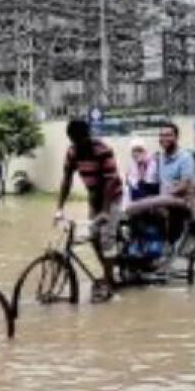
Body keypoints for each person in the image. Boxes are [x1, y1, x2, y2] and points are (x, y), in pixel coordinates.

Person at [56, 119, 123, 300]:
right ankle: (109, 273)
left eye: (81, 139)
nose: (78, 143)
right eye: (74, 140)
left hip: (112, 198)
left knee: (107, 238)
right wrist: (59, 208)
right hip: (94, 198)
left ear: (88, 136)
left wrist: (105, 211)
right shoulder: (72, 152)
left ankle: (109, 284)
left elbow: (110, 181)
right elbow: (67, 179)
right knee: (93, 236)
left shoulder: (103, 150)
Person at [157, 122, 195, 198]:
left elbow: (184, 185)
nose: (163, 138)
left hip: (179, 204)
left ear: (177, 137)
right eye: (161, 135)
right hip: (163, 202)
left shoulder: (185, 158)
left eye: (168, 135)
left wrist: (166, 195)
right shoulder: (161, 157)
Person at [123, 137, 160, 203]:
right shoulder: (131, 166)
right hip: (137, 199)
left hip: (152, 196)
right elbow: (130, 186)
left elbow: (153, 182)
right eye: (134, 151)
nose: (136, 153)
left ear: (145, 151)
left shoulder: (154, 162)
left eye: (139, 150)